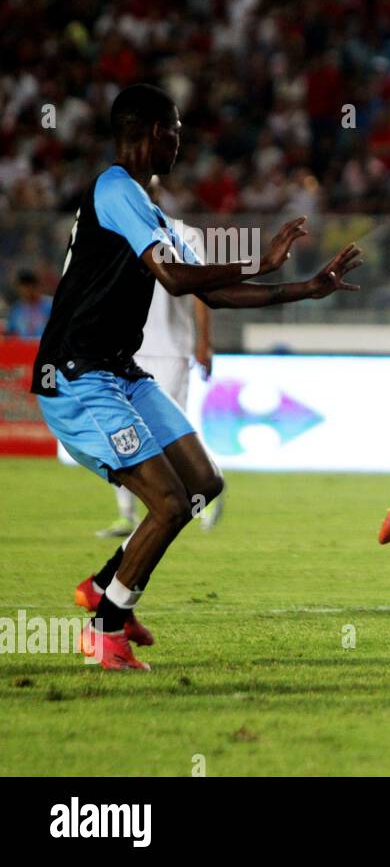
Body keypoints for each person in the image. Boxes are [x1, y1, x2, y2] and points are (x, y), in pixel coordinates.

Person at [32, 83, 362, 671]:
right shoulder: (114, 188)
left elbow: (211, 289)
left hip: (119, 369)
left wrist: (305, 289)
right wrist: (260, 259)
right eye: (177, 131)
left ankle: (108, 586)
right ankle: (104, 628)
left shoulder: (148, 206)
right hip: (79, 377)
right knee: (167, 503)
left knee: (204, 483)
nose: (181, 142)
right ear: (155, 132)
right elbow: (179, 279)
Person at [98, 281, 223, 538]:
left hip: (171, 349)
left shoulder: (187, 238)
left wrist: (204, 342)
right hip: (126, 347)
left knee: (170, 432)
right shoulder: (117, 239)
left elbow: (200, 291)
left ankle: (203, 496)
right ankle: (126, 513)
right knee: (121, 430)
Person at [6, 271, 51, 338]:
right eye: (24, 287)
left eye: (31, 286)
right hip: (23, 347)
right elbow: (11, 332)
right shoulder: (16, 309)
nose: (28, 290)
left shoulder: (49, 306)